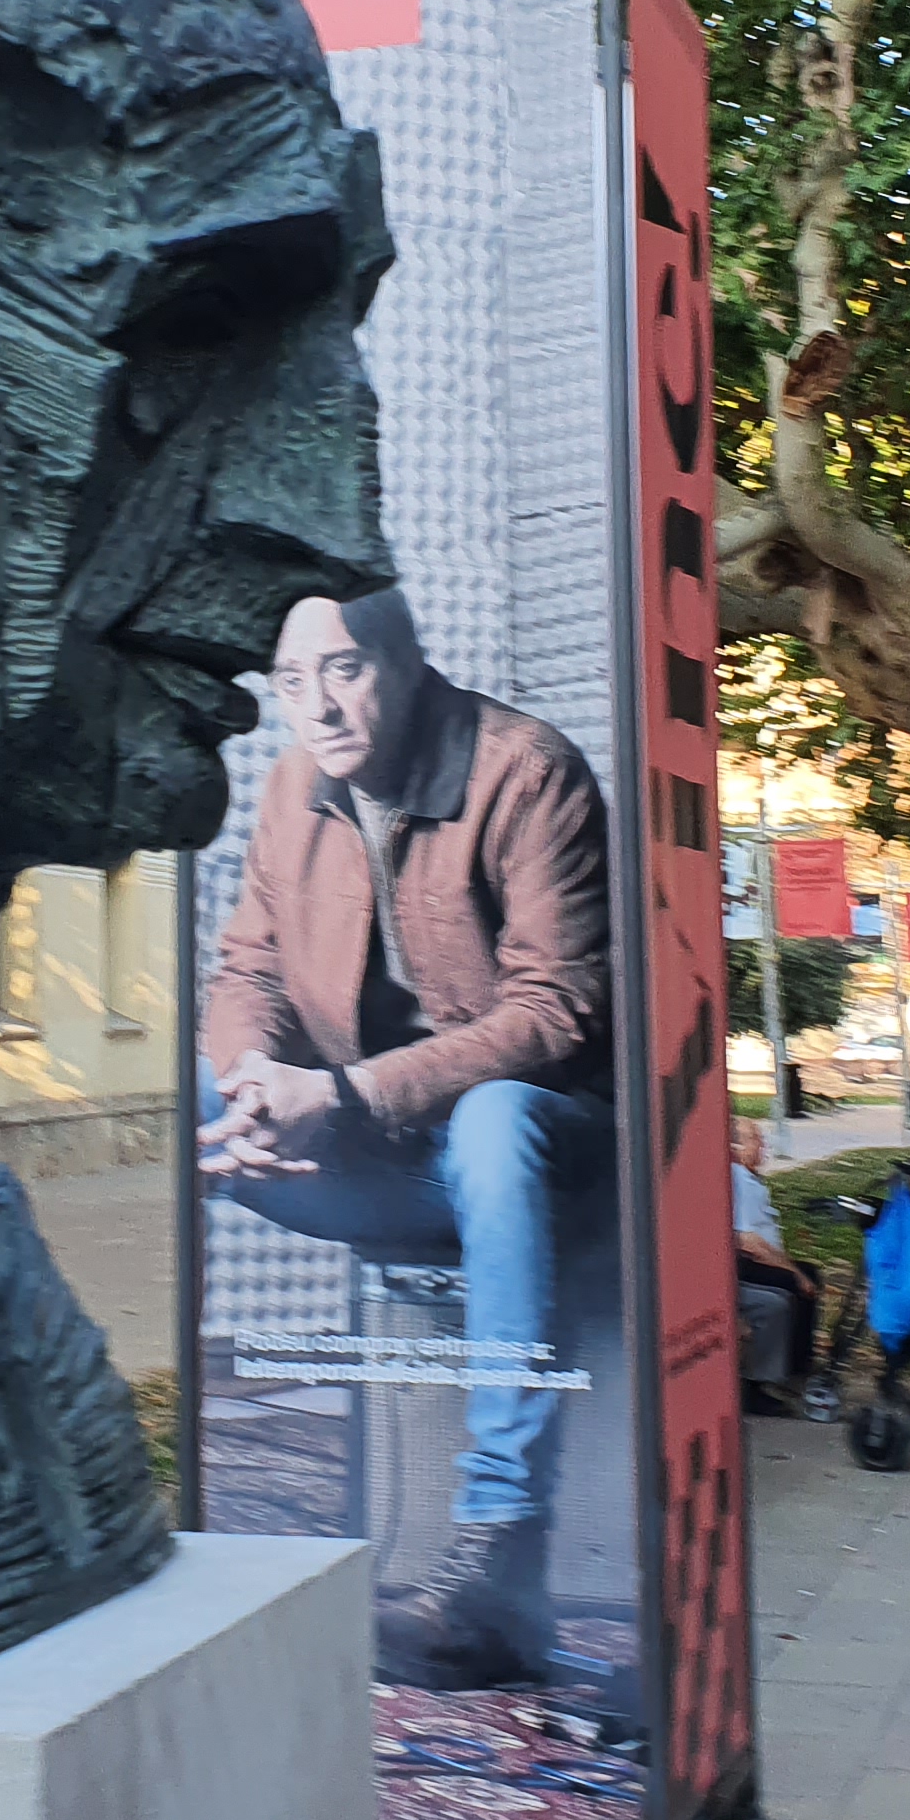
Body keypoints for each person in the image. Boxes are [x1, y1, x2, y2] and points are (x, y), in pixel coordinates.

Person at [200, 586, 614, 1689]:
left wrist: (342, 1093)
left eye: (343, 670)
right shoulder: (293, 788)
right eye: (293, 682)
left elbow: (556, 1013)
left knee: (491, 1118)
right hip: (391, 1156)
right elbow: (247, 971)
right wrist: (252, 1085)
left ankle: (497, 1555)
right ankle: (197, 1502)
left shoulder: (526, 770)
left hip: (548, 1148)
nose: (319, 708)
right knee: (197, 1105)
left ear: (406, 662)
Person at [731, 1121, 818, 1408]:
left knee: (809, 1275)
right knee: (793, 1286)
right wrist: (793, 1271)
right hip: (745, 1262)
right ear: (737, 1146)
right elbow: (748, 1241)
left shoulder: (749, 1180)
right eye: (755, 1139)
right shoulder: (739, 1181)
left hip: (756, 1257)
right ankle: (783, 1371)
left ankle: (796, 1364)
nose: (763, 1146)